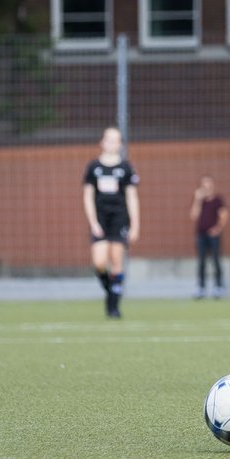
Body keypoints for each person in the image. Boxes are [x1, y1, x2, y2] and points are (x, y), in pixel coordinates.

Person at [82, 126, 139, 318]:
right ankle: (111, 290)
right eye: (109, 139)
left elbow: (132, 197)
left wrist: (135, 224)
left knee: (116, 262)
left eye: (116, 140)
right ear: (102, 142)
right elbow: (88, 196)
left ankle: (113, 307)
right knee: (99, 262)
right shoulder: (93, 167)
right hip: (100, 218)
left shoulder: (126, 168)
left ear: (120, 144)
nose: (112, 143)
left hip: (119, 218)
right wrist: (93, 222)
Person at [191, 174, 228, 299]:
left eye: (208, 183)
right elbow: (193, 216)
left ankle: (218, 287)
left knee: (216, 261)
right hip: (201, 235)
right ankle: (201, 288)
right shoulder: (200, 201)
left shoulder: (218, 200)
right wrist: (197, 200)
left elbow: (224, 215)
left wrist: (218, 228)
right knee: (201, 262)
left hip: (213, 236)